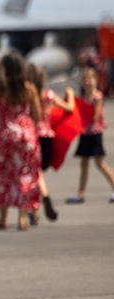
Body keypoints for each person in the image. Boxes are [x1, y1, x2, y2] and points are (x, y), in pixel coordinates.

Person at [0, 52, 42, 230]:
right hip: (25, 135)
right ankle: (22, 218)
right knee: (24, 174)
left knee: (3, 174)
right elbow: (37, 115)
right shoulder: (29, 89)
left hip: (3, 134)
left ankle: (3, 218)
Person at [26, 63, 75, 222]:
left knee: (32, 173)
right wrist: (71, 94)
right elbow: (69, 108)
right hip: (48, 138)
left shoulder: (27, 96)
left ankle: (39, 201)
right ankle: (37, 206)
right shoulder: (49, 95)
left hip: (33, 137)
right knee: (37, 172)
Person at [65, 65, 114, 204]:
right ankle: (81, 193)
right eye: (85, 79)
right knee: (84, 163)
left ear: (95, 80)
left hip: (95, 133)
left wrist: (85, 114)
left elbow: (95, 116)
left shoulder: (97, 96)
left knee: (100, 163)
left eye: (91, 78)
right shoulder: (82, 97)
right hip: (85, 133)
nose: (88, 82)